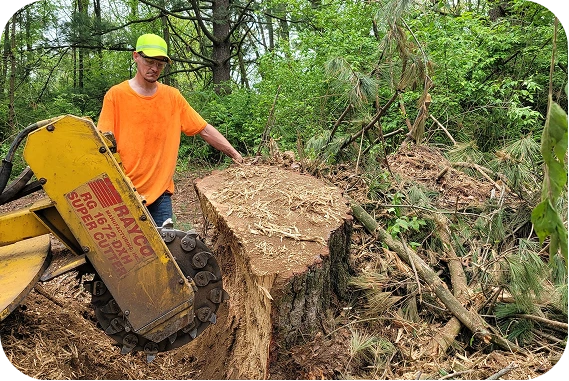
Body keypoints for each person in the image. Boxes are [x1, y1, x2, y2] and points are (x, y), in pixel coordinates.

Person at [97, 33, 243, 227]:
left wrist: (235, 154)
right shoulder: (116, 96)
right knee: (131, 254)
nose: (154, 68)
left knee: (168, 251)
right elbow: (102, 144)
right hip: (124, 192)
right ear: (135, 57)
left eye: (160, 64)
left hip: (160, 192)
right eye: (149, 61)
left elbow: (204, 129)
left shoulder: (172, 97)